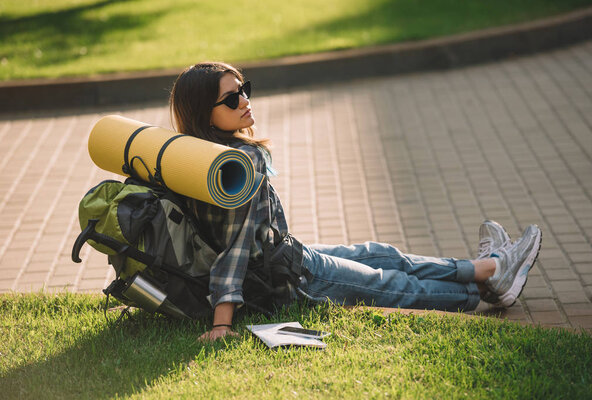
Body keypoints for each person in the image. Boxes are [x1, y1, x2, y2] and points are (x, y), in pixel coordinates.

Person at [168, 62, 542, 341]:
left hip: (287, 258)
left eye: (244, 89)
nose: (245, 101)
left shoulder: (190, 157)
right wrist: (222, 323)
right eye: (232, 98)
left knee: (382, 254)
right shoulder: (237, 165)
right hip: (289, 277)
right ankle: (489, 284)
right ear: (207, 114)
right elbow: (235, 246)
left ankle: (484, 269)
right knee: (392, 284)